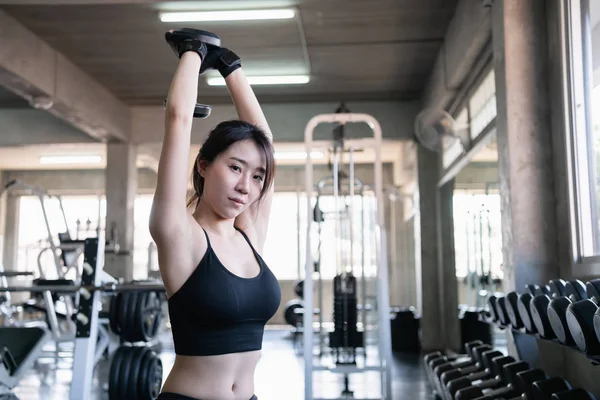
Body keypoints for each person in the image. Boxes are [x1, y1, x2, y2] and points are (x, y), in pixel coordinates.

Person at [149, 29, 281, 400]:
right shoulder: (180, 234)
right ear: (204, 166)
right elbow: (178, 119)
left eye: (257, 176)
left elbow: (266, 143)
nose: (246, 186)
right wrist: (192, 52)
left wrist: (229, 67)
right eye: (235, 168)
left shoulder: (249, 235)